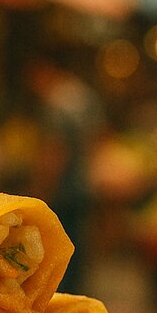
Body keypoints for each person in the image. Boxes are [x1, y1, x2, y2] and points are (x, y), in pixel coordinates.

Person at [25, 56, 106, 295]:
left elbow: (54, 150)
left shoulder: (56, 103)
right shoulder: (83, 95)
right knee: (77, 252)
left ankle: (57, 309)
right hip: (84, 185)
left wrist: (41, 190)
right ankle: (76, 306)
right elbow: (98, 137)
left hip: (63, 189)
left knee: (56, 256)